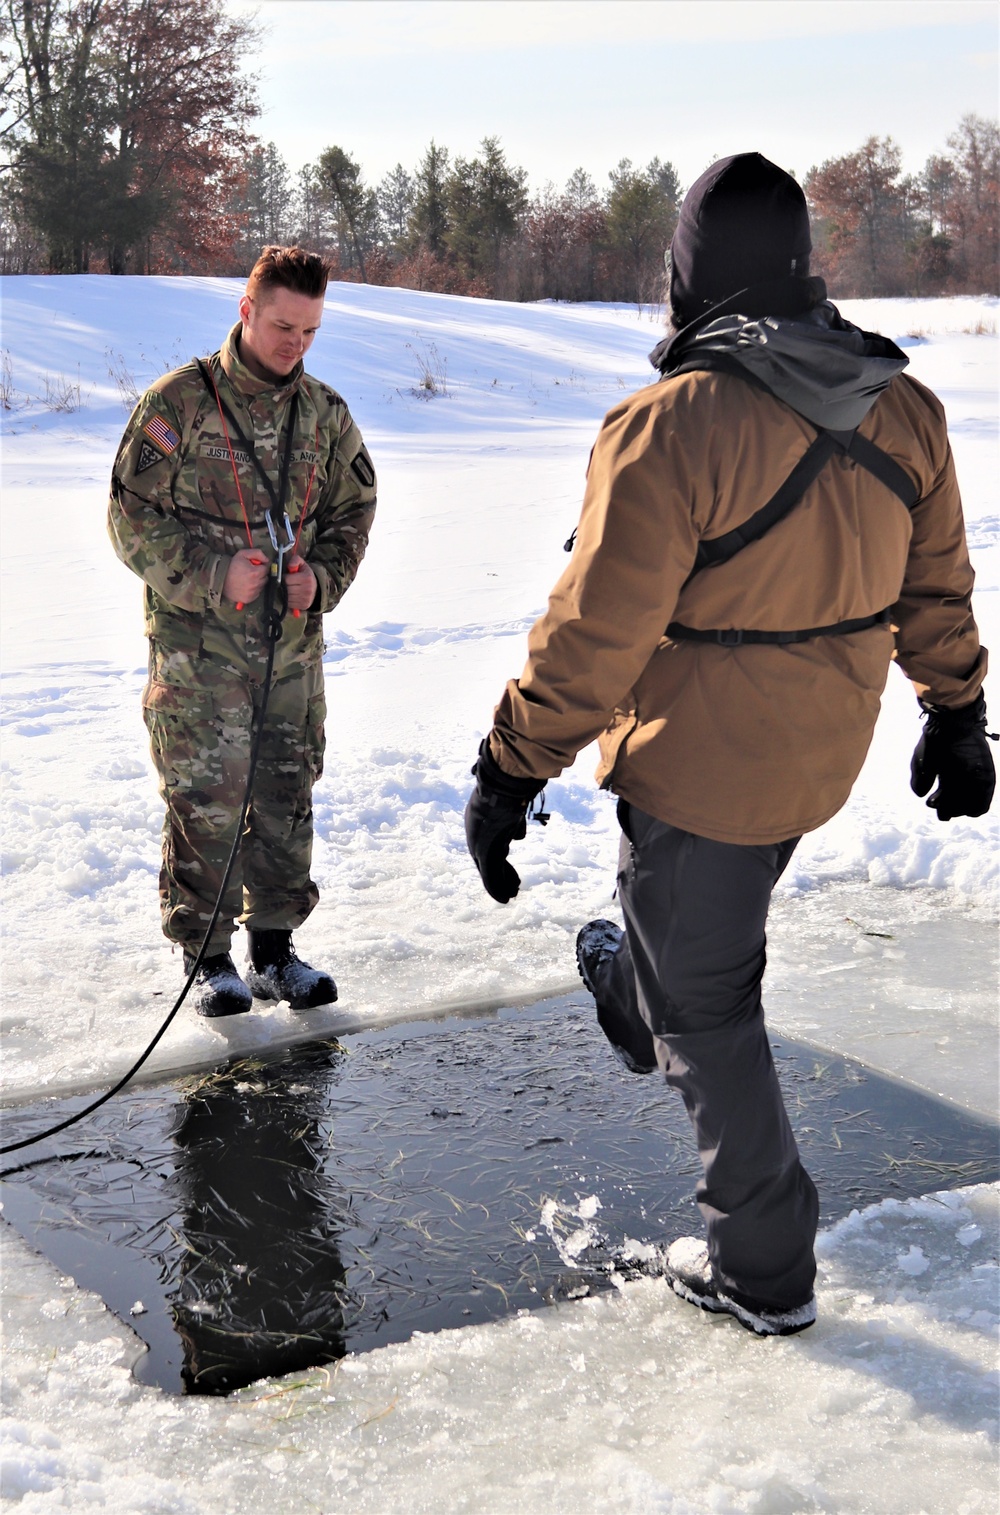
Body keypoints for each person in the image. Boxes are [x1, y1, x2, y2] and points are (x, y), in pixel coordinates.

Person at [464, 154, 994, 1336]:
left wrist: (509, 767)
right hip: (820, 752)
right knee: (687, 961)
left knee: (705, 1015)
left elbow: (596, 634)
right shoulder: (901, 405)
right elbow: (938, 588)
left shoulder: (673, 424)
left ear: (687, 274)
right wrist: (953, 714)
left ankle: (763, 1273)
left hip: (703, 770)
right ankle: (634, 978)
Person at [109, 246, 377, 1018]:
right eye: (283, 325)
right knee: (207, 802)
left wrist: (320, 578)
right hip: (202, 658)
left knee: (286, 796)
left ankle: (275, 951)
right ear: (247, 311)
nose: (295, 344)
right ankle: (208, 958)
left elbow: (356, 509)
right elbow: (128, 515)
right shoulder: (182, 403)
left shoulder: (323, 415)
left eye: (311, 331)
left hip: (290, 654)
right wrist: (210, 572)